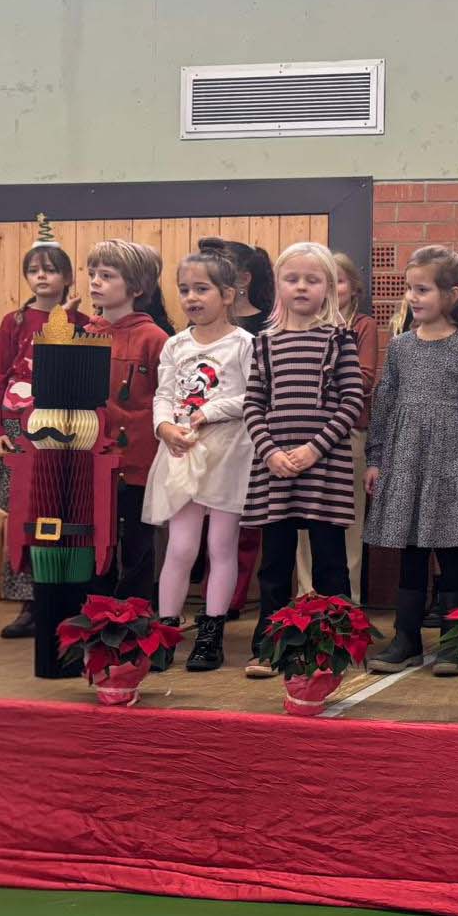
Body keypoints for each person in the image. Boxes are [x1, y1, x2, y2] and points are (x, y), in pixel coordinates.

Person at [363, 246, 458, 675]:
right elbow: (384, 402)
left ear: (451, 295)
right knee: (411, 550)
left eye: (422, 290)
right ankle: (406, 639)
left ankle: (455, 642)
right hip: (405, 457)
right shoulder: (399, 347)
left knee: (451, 549)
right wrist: (376, 457)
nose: (413, 298)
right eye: (409, 290)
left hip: (451, 457)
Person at [241, 243, 365, 677]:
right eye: (292, 279)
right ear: (278, 285)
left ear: (328, 287)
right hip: (275, 471)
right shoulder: (265, 342)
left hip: (324, 469)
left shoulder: (339, 338)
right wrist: (270, 451)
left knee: (331, 563)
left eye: (312, 280)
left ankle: (336, 647)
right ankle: (269, 648)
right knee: (274, 565)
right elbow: (252, 404)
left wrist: (314, 448)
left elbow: (351, 402)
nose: (301, 287)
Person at [144, 251, 255, 670]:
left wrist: (210, 412)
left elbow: (253, 396)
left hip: (227, 454)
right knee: (181, 546)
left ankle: (211, 635)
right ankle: (167, 633)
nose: (191, 297)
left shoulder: (244, 344)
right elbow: (163, 395)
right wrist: (164, 428)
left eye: (202, 289)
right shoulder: (175, 344)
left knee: (221, 545)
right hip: (181, 452)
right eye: (185, 290)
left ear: (228, 294)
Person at [0, 216, 85, 639]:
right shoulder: (15, 321)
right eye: (34, 270)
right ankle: (26, 602)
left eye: (50, 269)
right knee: (19, 510)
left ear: (66, 276)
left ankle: (57, 597)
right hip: (16, 422)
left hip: (60, 426)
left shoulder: (79, 323)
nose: (42, 276)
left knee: (56, 510)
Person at [83, 239, 170, 602]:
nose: (95, 282)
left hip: (139, 464)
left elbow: (166, 402)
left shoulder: (157, 339)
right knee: (95, 546)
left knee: (138, 548)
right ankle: (95, 620)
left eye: (107, 275)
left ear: (136, 287)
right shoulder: (87, 334)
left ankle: (133, 623)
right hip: (93, 461)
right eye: (92, 274)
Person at [196, 236, 276, 619]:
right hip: (208, 429)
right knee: (207, 518)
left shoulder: (265, 324)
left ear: (242, 277)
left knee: (241, 521)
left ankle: (231, 594)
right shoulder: (203, 326)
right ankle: (210, 589)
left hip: (250, 430)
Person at [294, 252, 378, 603]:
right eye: (324, 281)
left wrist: (318, 377)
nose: (331, 289)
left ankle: (347, 605)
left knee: (347, 525)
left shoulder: (362, 326)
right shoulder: (300, 325)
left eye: (338, 281)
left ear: (353, 287)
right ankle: (305, 600)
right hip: (303, 437)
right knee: (302, 526)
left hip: (346, 436)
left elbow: (364, 380)